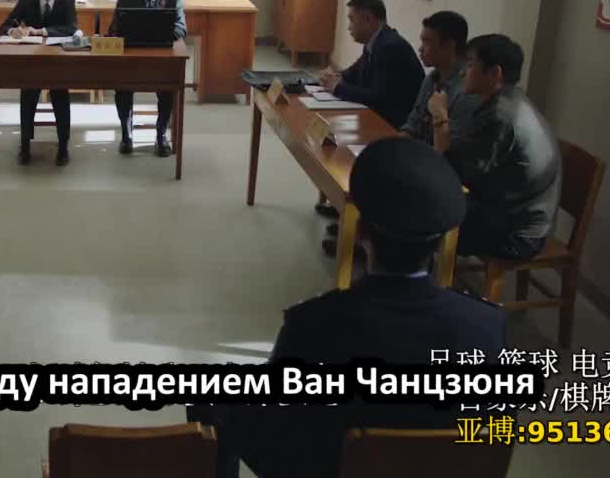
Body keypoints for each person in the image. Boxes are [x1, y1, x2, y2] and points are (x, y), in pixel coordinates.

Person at [188, 138, 505, 478]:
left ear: (360, 230)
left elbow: (277, 431)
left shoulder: (313, 325)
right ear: (442, 241)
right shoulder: (488, 326)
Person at [430, 34, 561, 261]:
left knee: (421, 212)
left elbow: (452, 171)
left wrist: (440, 116)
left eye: (470, 64)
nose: (462, 72)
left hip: (517, 234)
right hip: (508, 212)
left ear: (494, 73)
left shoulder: (501, 116)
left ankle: (420, 278)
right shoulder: (508, 100)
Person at [317, 0, 424, 249]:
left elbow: (378, 97)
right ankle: (349, 209)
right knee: (336, 146)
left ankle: (358, 226)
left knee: (349, 152)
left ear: (367, 18)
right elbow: (354, 73)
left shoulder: (390, 47)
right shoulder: (376, 42)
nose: (349, 27)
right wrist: (336, 76)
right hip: (380, 117)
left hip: (396, 126)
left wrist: (338, 87)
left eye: (352, 20)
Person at [0, 0, 78, 166]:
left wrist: (41, 31)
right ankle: (25, 145)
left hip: (58, 60)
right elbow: (3, 26)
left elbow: (70, 28)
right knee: (28, 95)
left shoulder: (66, 1)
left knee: (60, 97)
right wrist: (12, 31)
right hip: (32, 59)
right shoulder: (27, 0)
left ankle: (63, 146)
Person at [108, 0, 187, 157]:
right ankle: (126, 135)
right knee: (122, 89)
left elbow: (181, 29)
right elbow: (114, 28)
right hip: (131, 57)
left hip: (162, 57)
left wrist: (159, 32)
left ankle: (161, 136)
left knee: (168, 90)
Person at [400, 10, 479, 146]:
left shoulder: (466, 91)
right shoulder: (431, 78)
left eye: (427, 42)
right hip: (418, 151)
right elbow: (412, 125)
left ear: (449, 46)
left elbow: (449, 149)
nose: (420, 49)